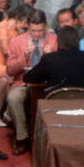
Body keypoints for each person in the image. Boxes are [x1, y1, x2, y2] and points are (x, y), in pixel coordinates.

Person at [4, 12, 57, 154]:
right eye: (33, 31)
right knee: (13, 98)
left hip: (47, 83)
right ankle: (22, 138)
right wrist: (24, 57)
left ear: (45, 27)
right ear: (28, 27)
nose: (37, 34)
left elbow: (61, 65)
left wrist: (51, 56)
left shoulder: (53, 39)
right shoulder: (16, 41)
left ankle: (50, 139)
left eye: (40, 30)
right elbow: (10, 70)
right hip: (23, 82)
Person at [22, 24, 84, 95]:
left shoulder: (49, 58)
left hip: (54, 105)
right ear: (77, 41)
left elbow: (27, 78)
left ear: (58, 42)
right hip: (82, 104)